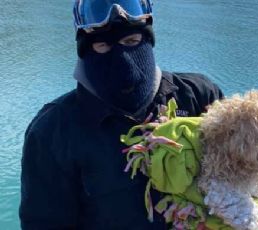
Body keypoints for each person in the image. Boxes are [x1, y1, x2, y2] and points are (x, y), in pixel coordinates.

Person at [19, 0, 224, 229]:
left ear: (147, 39)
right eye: (103, 46)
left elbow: (244, 174)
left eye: (131, 41)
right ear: (86, 49)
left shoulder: (199, 96)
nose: (122, 58)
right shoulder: (51, 133)